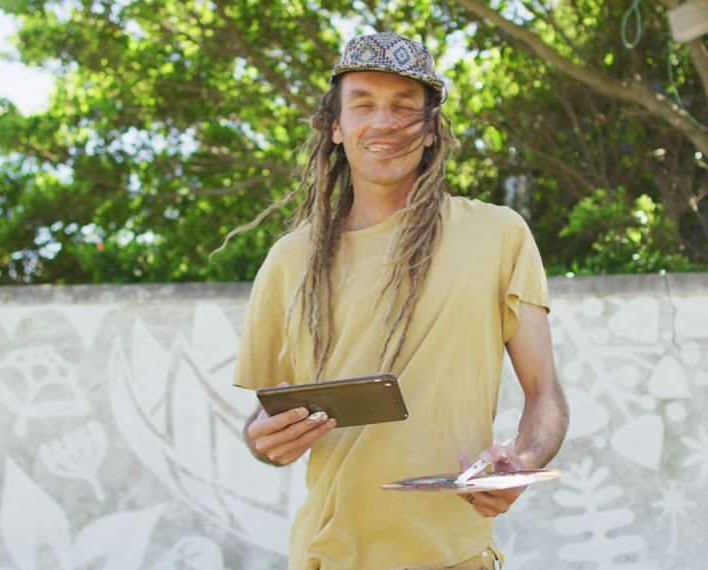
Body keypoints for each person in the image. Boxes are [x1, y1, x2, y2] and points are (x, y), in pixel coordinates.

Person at [229, 32, 569, 570]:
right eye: (363, 104)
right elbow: (268, 415)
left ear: (432, 130)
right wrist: (264, 439)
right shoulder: (288, 261)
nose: (384, 122)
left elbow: (546, 395)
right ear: (335, 127)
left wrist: (521, 461)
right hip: (326, 556)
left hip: (457, 556)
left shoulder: (499, 235)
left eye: (404, 107)